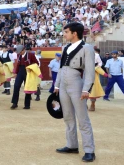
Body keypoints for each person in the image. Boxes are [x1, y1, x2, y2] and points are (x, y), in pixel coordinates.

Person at [54, 22, 96, 162]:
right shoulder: (65, 47)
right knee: (67, 116)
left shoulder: (86, 48)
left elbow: (90, 70)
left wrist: (86, 89)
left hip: (76, 83)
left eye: (66, 32)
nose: (64, 34)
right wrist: (57, 85)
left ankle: (89, 150)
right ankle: (72, 145)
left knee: (82, 118)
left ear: (74, 33)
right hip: (64, 84)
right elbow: (61, 68)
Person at [10, 45, 39, 109]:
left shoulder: (31, 55)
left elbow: (37, 63)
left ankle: (27, 105)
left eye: (20, 52)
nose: (19, 53)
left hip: (28, 72)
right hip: (20, 71)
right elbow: (18, 65)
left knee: (28, 88)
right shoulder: (19, 55)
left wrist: (31, 68)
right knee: (16, 86)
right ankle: (14, 103)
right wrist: (16, 73)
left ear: (23, 50)